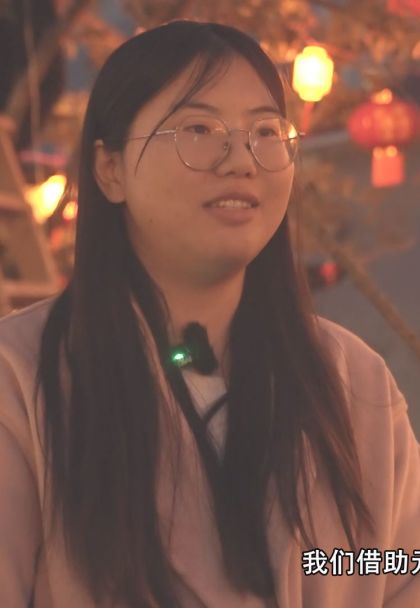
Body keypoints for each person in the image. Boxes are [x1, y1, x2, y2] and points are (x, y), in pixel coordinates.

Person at [0, 20, 419, 608]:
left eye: (266, 131)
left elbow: (401, 570)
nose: (241, 159)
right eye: (199, 129)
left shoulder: (355, 381)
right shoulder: (20, 377)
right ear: (110, 169)